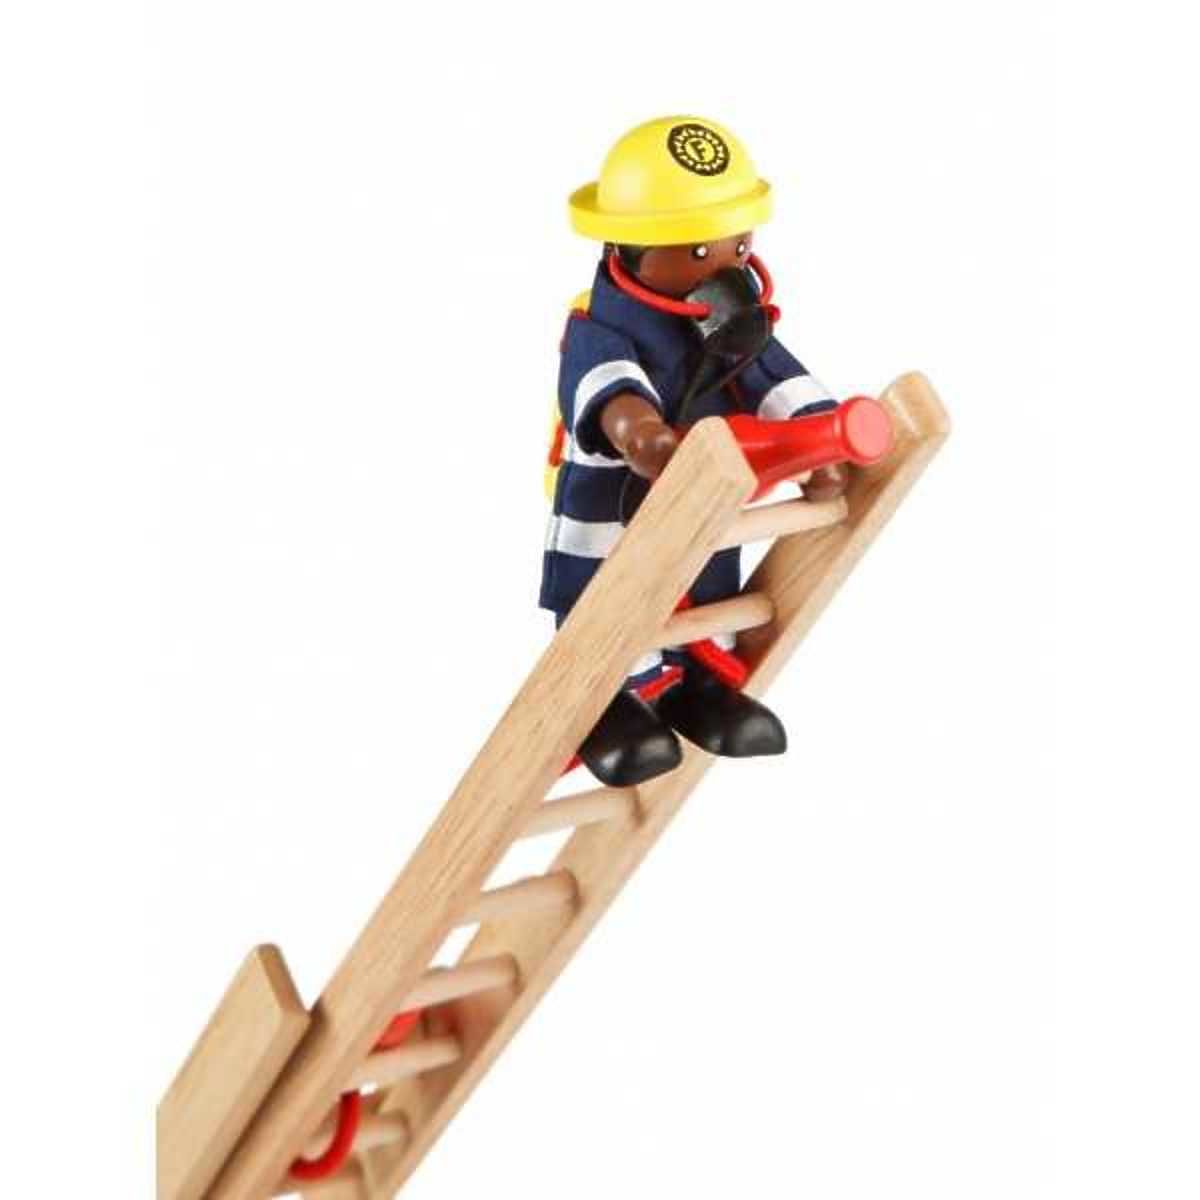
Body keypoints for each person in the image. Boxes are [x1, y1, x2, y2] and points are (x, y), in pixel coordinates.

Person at [541, 117, 851, 787]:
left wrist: (820, 438)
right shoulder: (600, 327)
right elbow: (609, 389)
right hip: (616, 499)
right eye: (701, 252)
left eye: (739, 246)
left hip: (707, 489)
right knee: (608, 598)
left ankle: (696, 685)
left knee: (707, 582)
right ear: (631, 249)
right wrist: (640, 434)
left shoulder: (728, 323)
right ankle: (607, 705)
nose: (726, 268)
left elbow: (776, 380)